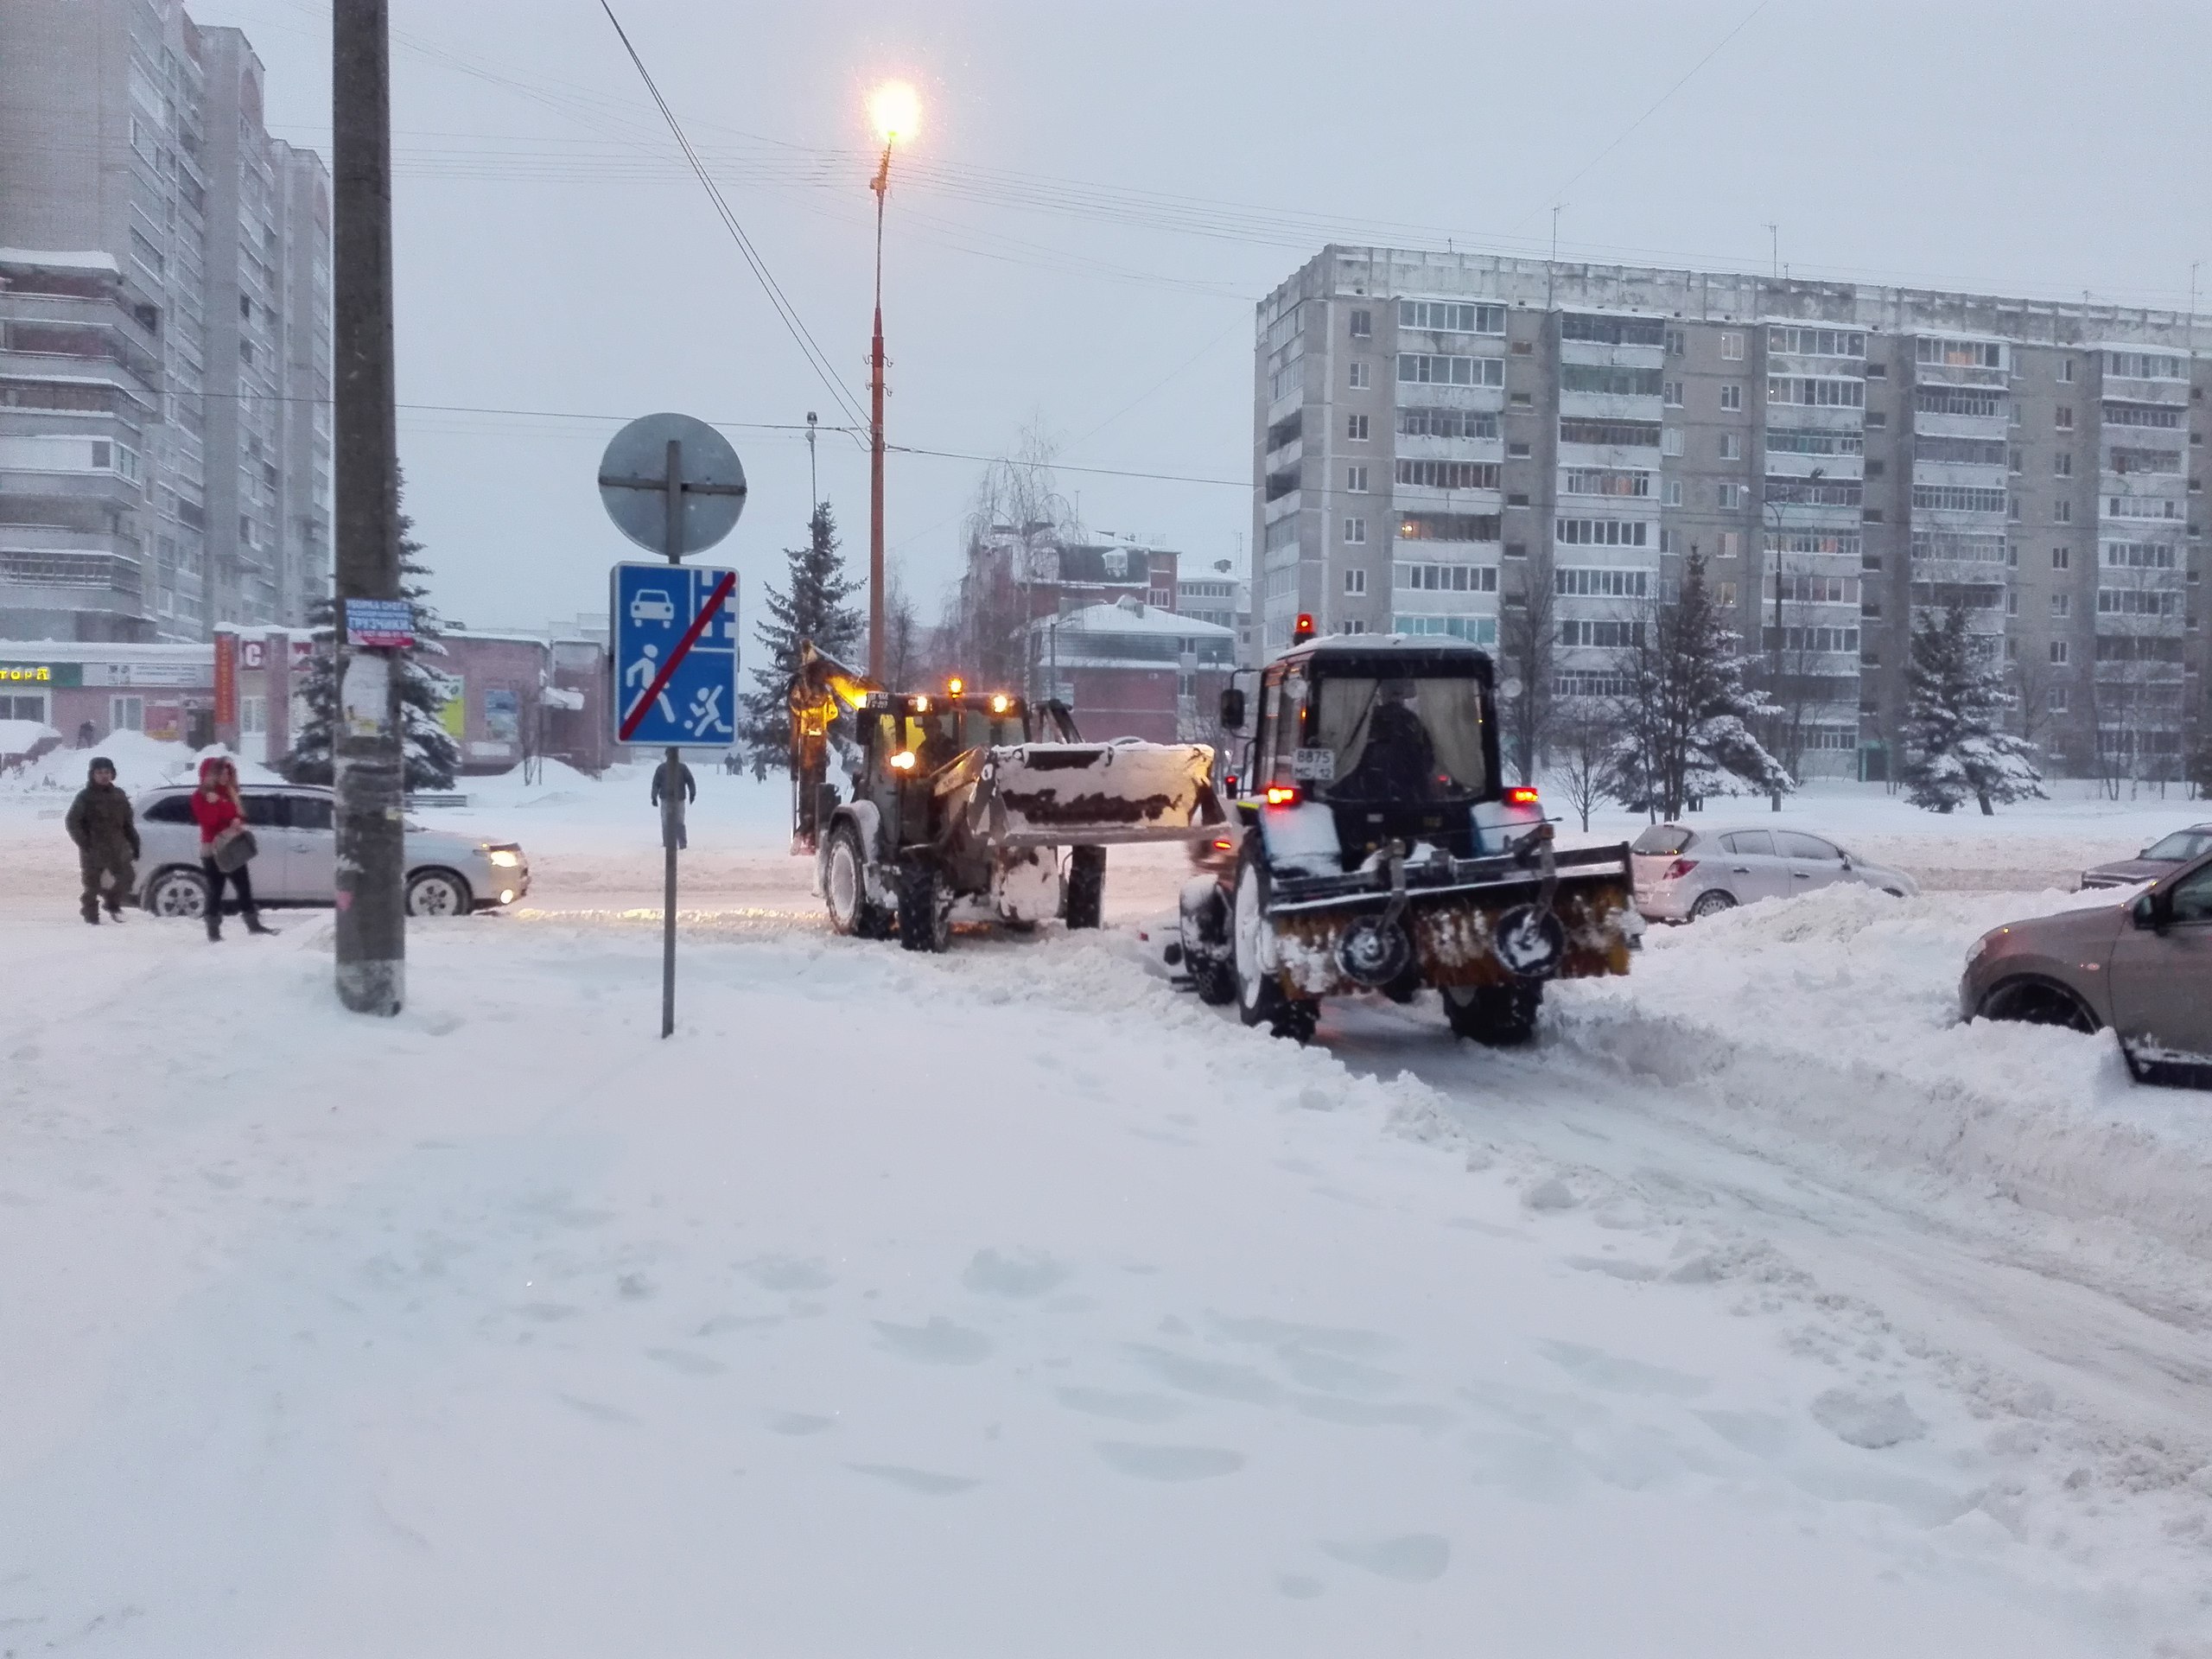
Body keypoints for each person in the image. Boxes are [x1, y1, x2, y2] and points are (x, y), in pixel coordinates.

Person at [189, 755, 272, 940]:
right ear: (211, 774)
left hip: (233, 845)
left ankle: (254, 925)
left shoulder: (230, 792)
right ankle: (213, 931)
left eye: (228, 772)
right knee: (216, 888)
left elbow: (240, 815)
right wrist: (215, 803)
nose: (226, 776)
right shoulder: (201, 796)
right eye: (222, 773)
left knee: (244, 886)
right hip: (213, 848)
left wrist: (237, 821)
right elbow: (208, 822)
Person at [64, 755, 139, 925]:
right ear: (92, 775)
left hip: (117, 847)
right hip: (93, 848)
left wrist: (134, 843)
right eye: (99, 772)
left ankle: (112, 902)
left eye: (107, 772)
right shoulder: (85, 797)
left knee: (127, 877)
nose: (104, 776)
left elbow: (128, 823)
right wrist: (84, 842)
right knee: (92, 886)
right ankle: (91, 915)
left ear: (113, 774)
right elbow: (72, 821)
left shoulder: (119, 795)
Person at [1340, 680, 1437, 801]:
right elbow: (1425, 757)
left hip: (1371, 787)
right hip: (1404, 786)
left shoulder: (1369, 719)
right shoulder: (1411, 720)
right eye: (1396, 693)